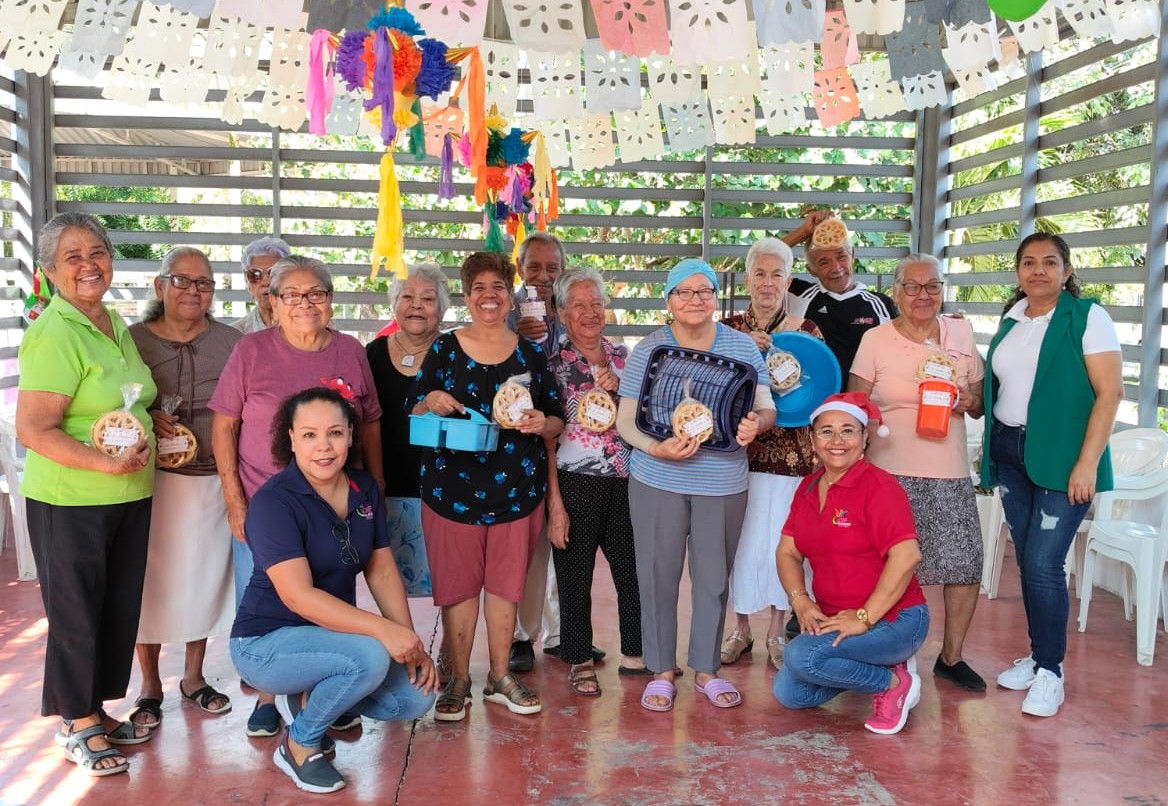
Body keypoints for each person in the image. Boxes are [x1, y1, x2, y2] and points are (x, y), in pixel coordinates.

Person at [231, 387, 437, 795]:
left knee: (415, 697)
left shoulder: (364, 488)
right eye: (309, 435)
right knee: (370, 654)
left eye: (335, 433)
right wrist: (385, 633)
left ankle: (304, 701)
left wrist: (409, 641)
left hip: (330, 638)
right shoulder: (273, 503)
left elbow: (381, 570)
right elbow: (298, 597)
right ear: (291, 439)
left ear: (350, 436)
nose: (323, 446)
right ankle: (299, 744)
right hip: (264, 643)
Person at [211, 254, 384, 738]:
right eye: (291, 295)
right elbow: (224, 427)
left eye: (316, 294)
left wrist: (377, 486)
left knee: (333, 594)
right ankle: (269, 696)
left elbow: (370, 423)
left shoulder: (350, 351)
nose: (304, 303)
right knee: (269, 602)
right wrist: (234, 500)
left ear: (330, 300)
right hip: (266, 506)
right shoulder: (251, 350)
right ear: (272, 302)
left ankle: (325, 691)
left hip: (337, 503)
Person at [17, 212, 157, 776]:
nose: (88, 265)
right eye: (71, 257)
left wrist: (157, 426)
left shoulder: (110, 321)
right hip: (71, 499)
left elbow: (129, 402)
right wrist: (104, 463)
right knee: (76, 612)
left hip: (128, 492)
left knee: (115, 609)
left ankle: (95, 710)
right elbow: (34, 429)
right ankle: (76, 723)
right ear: (49, 270)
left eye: (97, 252)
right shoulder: (55, 332)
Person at [616, 258, 775, 712]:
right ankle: (661, 671)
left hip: (722, 481)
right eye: (683, 292)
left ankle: (706, 670)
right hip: (657, 478)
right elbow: (625, 421)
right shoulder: (650, 350)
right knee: (656, 575)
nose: (695, 300)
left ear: (715, 298)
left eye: (704, 291)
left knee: (712, 578)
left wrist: (757, 425)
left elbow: (765, 405)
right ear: (669, 301)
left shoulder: (741, 346)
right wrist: (656, 448)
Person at [412, 251, 564, 721]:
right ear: (466, 295)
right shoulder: (445, 349)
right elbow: (415, 410)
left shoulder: (530, 353)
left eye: (498, 286)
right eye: (479, 287)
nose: (489, 296)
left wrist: (541, 422)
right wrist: (431, 399)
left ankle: (500, 677)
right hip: (450, 491)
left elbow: (557, 419)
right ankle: (458, 679)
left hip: (517, 490)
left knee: (505, 586)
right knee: (458, 588)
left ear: (510, 295)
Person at [980, 233, 1122, 718]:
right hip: (1010, 451)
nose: (1038, 270)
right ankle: (1039, 656)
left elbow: (1110, 393)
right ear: (1018, 271)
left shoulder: (1086, 317)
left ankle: (1051, 672)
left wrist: (1087, 463)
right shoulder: (1013, 319)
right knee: (1028, 561)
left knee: (1043, 564)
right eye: (1028, 262)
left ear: (1067, 270)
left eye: (1049, 262)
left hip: (1063, 458)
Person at [849, 254, 987, 691]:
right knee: (889, 566)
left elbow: (980, 403)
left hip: (949, 469)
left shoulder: (960, 334)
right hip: (888, 472)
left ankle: (951, 657)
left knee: (964, 563)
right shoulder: (875, 339)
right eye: (912, 286)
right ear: (896, 292)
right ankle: (886, 653)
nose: (922, 295)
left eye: (932, 286)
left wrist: (965, 399)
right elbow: (856, 405)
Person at [127, 247, 241, 730]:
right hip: (149, 481)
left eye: (204, 283)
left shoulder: (232, 342)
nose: (193, 291)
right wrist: (145, 414)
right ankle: (149, 685)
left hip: (211, 479)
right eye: (182, 280)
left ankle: (193, 677)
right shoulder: (131, 340)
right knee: (147, 582)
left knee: (203, 580)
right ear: (160, 286)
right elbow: (113, 404)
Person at [773, 393, 930, 736]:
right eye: (826, 431)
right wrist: (801, 601)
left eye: (848, 430)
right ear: (813, 439)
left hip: (895, 619)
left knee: (802, 657)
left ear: (864, 437)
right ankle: (873, 664)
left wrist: (864, 617)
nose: (837, 440)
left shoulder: (880, 487)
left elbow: (908, 556)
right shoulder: (807, 487)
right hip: (835, 617)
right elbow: (787, 552)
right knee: (790, 693)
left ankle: (894, 683)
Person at [719, 238, 824, 670]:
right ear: (747, 279)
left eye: (776, 274)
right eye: (759, 273)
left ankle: (777, 631)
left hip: (792, 460)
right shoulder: (727, 331)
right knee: (740, 545)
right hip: (736, 457)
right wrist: (746, 351)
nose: (767, 283)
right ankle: (740, 629)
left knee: (786, 545)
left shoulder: (806, 331)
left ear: (788, 280)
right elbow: (711, 387)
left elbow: (820, 390)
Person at [544, 268, 645, 696]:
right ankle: (579, 658)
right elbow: (546, 439)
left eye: (596, 303)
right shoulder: (552, 366)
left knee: (632, 571)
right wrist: (555, 503)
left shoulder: (626, 357)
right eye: (579, 305)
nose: (589, 313)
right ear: (562, 313)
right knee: (574, 575)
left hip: (627, 479)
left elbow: (647, 417)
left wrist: (622, 388)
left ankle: (636, 653)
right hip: (574, 481)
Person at [506, 232, 602, 673]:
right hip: (521, 447)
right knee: (529, 549)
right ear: (519, 269)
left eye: (552, 268)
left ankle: (565, 632)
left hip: (571, 446)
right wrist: (515, 336)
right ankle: (521, 636)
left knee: (568, 541)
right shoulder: (505, 313)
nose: (543, 277)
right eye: (534, 267)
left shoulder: (573, 312)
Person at [366, 263, 451, 599]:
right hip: (384, 487)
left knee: (448, 586)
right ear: (394, 303)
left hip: (443, 491)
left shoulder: (456, 354)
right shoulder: (372, 353)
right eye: (407, 297)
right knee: (387, 588)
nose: (417, 305)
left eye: (428, 299)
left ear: (441, 308)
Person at [795, 216, 896, 382]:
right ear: (811, 270)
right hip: (815, 396)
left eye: (841, 257)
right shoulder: (799, 297)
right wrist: (803, 231)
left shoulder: (881, 305)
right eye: (824, 263)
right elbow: (761, 263)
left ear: (853, 255)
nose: (836, 268)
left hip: (866, 396)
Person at [233, 235, 291, 334]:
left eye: (273, 273)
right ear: (247, 281)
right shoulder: (234, 335)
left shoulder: (309, 327)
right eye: (255, 274)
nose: (266, 282)